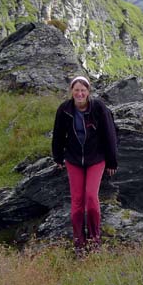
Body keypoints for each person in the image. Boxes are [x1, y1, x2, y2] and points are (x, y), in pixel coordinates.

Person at [52, 75, 117, 251]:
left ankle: (95, 239)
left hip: (96, 158)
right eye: (76, 90)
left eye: (83, 90)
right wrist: (57, 157)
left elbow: (109, 135)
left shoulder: (98, 108)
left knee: (90, 197)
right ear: (71, 91)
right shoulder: (64, 109)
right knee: (77, 202)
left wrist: (112, 161)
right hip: (73, 159)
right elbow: (58, 135)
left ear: (88, 92)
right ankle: (79, 243)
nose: (80, 93)